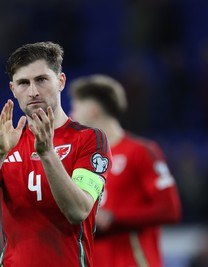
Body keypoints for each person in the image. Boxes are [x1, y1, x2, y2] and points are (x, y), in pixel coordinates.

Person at [0, 41, 111, 267]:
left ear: (60, 81)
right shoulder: (5, 142)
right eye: (23, 83)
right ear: (12, 89)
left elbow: (78, 210)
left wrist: (47, 154)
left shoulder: (90, 139)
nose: (33, 92)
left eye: (41, 80)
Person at [69, 74, 182, 267]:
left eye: (76, 108)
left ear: (93, 110)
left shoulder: (140, 151)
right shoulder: (80, 160)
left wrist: (114, 218)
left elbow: (169, 209)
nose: (72, 116)